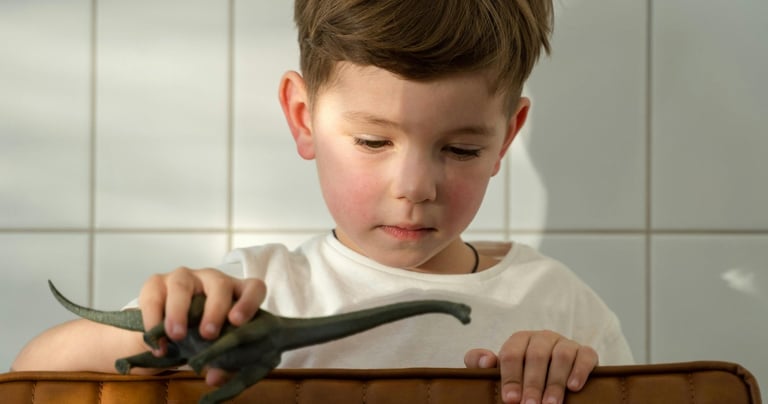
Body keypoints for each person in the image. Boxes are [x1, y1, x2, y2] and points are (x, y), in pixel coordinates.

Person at [13, 1, 634, 403]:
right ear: (302, 116)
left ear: (508, 136)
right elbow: (30, 380)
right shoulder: (248, 294)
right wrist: (166, 325)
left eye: (462, 150)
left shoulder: (560, 307)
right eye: (372, 141)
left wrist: (577, 380)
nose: (415, 186)